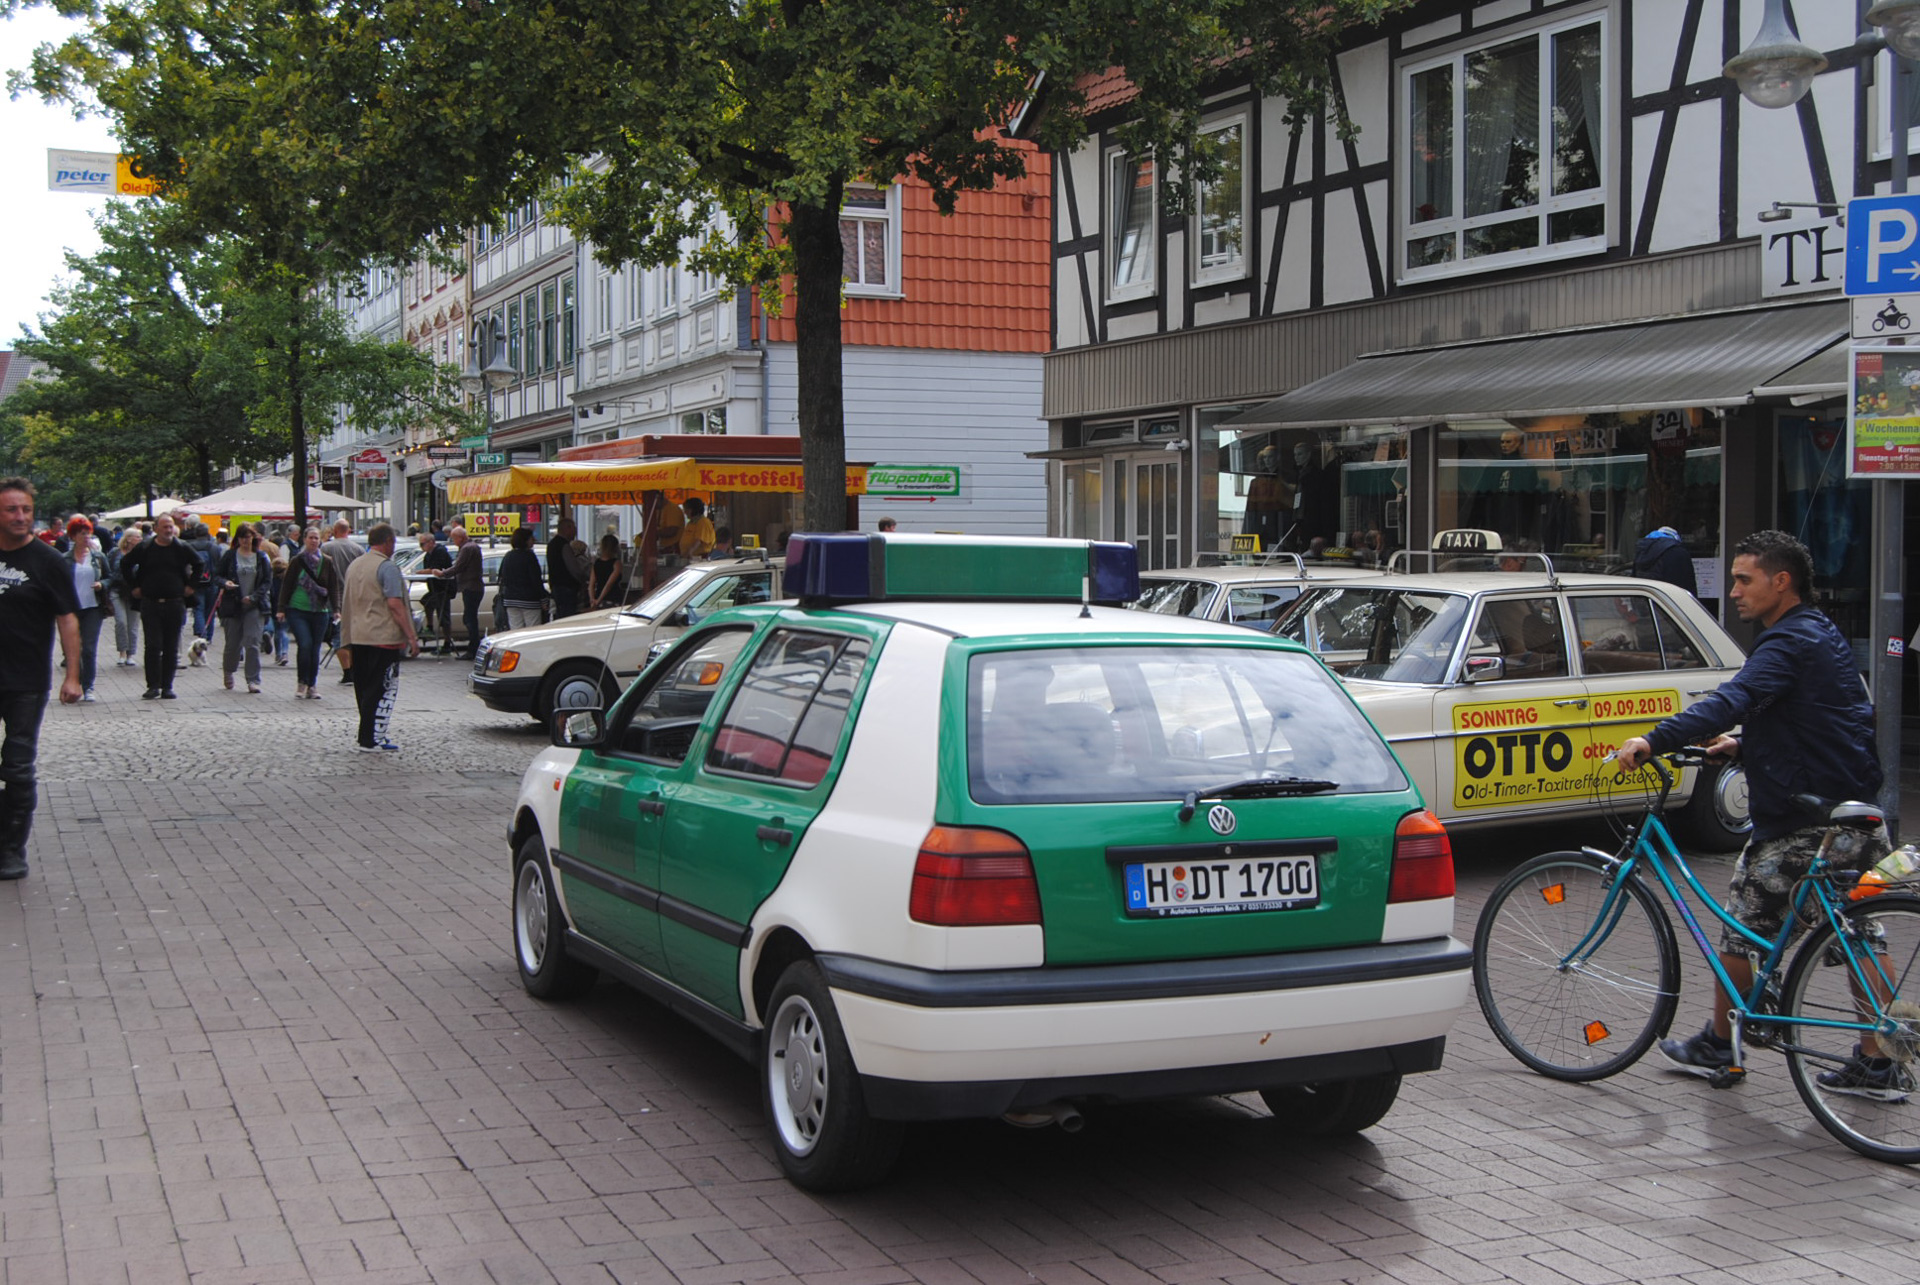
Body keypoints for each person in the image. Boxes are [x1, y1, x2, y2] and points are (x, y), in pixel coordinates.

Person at [1617, 530, 1895, 1095]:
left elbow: (1733, 698)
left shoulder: (1787, 642)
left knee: (1743, 928)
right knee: (1861, 935)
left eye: (1745, 580)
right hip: (1851, 809)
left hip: (1804, 821)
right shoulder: (1819, 633)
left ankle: (1721, 1043)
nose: (1735, 591)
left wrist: (1654, 740)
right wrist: (1744, 746)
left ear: (1781, 581)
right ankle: (1881, 1060)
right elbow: (1819, 719)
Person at [0, 480, 83, 881]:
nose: (21, 517)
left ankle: (10, 849)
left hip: (26, 680)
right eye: (11, 510)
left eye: (26, 510)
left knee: (17, 767)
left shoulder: (48, 561)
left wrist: (73, 676)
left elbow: (67, 618)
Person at [340, 522, 420, 752]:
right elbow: (395, 604)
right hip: (383, 637)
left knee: (364, 688)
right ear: (388, 542)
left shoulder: (355, 565)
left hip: (358, 635)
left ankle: (368, 734)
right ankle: (370, 737)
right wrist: (411, 636)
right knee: (380, 688)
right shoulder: (387, 567)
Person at [120, 514, 202, 699]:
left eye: (171, 526)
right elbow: (125, 564)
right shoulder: (145, 547)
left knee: (171, 646)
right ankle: (153, 686)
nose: (168, 530)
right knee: (153, 645)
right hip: (151, 603)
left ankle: (167, 686)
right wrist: (134, 587)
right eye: (165, 527)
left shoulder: (181, 547)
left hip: (175, 603)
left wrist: (191, 586)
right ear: (156, 528)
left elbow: (199, 564)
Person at [277, 527, 336, 700]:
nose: (313, 541)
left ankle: (312, 685)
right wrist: (281, 608)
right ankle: (302, 682)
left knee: (315, 648)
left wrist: (337, 610)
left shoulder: (327, 561)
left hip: (320, 610)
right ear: (304, 539)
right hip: (298, 609)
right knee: (305, 644)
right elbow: (287, 584)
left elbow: (333, 586)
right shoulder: (297, 560)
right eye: (311, 537)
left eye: (316, 538)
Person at [214, 526, 272, 694]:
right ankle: (229, 670)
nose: (246, 541)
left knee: (252, 642)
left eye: (248, 537)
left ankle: (253, 680)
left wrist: (254, 597)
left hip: (254, 605)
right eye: (242, 537)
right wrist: (225, 583)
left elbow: (267, 581)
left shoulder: (261, 557)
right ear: (237, 539)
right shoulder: (230, 556)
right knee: (233, 644)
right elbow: (216, 575)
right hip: (233, 605)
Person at [64, 518, 108, 702]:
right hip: (72, 609)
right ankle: (75, 682)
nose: (86, 537)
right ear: (73, 536)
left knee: (89, 649)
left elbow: (110, 577)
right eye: (82, 534)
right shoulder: (65, 559)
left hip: (92, 608)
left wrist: (102, 584)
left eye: (88, 533)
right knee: (73, 649)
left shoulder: (98, 557)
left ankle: (88, 686)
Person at [320, 521, 363, 684]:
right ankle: (355, 669)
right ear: (348, 530)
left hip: (334, 597)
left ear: (335, 531)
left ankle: (347, 671)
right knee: (354, 634)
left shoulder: (326, 548)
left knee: (338, 634)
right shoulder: (358, 549)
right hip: (355, 596)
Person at [438, 524, 484, 659]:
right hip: (473, 587)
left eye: (454, 538)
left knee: (470, 618)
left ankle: (473, 649)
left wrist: (442, 573)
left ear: (460, 537)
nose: (453, 541)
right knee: (469, 617)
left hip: (471, 587)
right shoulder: (471, 547)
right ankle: (473, 647)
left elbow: (459, 566)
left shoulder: (467, 548)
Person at [498, 526, 548, 631]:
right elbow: (536, 580)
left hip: (510, 600)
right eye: (531, 538)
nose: (533, 540)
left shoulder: (508, 556)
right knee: (532, 630)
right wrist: (543, 599)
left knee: (515, 630)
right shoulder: (529, 557)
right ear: (525, 540)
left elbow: (503, 577)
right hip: (529, 600)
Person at [106, 529, 142, 667]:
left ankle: (130, 654)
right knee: (121, 622)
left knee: (133, 625)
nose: (140, 539)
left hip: (134, 592)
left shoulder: (142, 553)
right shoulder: (115, 552)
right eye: (137, 537)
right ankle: (122, 652)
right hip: (117, 590)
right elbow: (108, 570)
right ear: (128, 539)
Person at [1631, 525, 1699, 596]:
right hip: (1670, 598)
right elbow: (1686, 583)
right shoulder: (1677, 552)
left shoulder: (1641, 551)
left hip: (1646, 598)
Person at [415, 531, 453, 650]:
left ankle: (447, 643)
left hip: (443, 588)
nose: (422, 547)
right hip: (434, 588)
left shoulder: (440, 552)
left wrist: (420, 572)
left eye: (423, 544)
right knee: (426, 602)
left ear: (431, 542)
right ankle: (430, 627)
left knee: (443, 615)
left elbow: (434, 569)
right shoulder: (428, 555)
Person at [546, 516, 588, 617]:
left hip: (556, 586)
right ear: (567, 529)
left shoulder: (551, 544)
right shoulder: (564, 545)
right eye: (574, 529)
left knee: (560, 614)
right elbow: (573, 568)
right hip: (567, 587)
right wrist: (582, 580)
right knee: (569, 615)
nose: (575, 532)